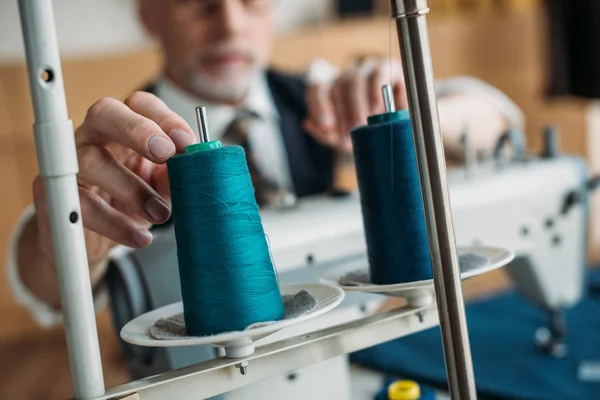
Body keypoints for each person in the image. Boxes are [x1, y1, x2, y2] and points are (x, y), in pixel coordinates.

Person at [7, 0, 516, 329]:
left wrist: (421, 112)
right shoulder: (113, 154)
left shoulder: (320, 100)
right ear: (148, 13)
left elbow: (497, 116)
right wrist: (63, 242)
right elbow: (44, 291)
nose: (229, 22)